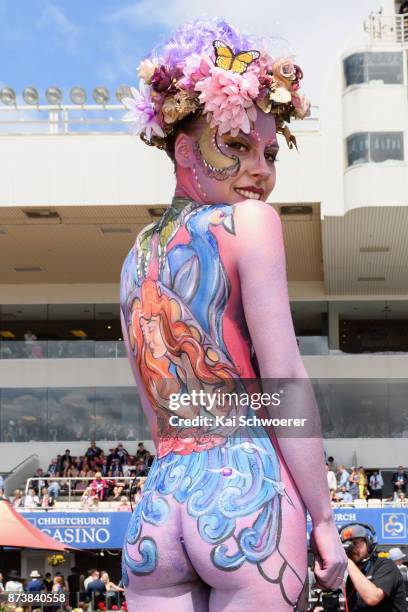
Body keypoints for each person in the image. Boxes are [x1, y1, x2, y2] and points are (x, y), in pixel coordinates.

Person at [120, 18, 346, 611]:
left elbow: (155, 412)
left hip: (158, 510)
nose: (262, 170)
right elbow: (285, 379)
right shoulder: (251, 224)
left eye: (269, 152)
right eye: (238, 147)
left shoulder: (135, 254)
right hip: (245, 500)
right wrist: (324, 517)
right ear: (186, 150)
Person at [340, 523, 407, 610]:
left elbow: (372, 598)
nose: (351, 548)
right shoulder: (352, 577)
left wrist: (347, 561)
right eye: (347, 545)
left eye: (355, 543)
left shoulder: (386, 566)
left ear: (369, 543)